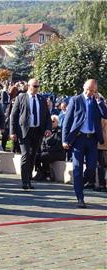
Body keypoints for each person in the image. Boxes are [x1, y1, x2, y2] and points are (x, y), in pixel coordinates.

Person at [62, 79, 107, 208]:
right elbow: (67, 121)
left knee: (92, 168)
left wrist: (99, 101)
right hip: (78, 139)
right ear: (83, 87)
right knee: (77, 169)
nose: (89, 92)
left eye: (92, 90)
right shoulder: (75, 100)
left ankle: (80, 183)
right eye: (87, 89)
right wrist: (65, 140)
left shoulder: (97, 101)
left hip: (92, 139)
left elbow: (105, 114)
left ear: (95, 90)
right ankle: (80, 198)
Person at [10, 78, 52, 190]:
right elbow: (13, 115)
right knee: (25, 155)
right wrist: (12, 132)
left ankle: (29, 179)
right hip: (24, 131)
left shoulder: (41, 99)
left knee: (33, 155)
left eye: (38, 86)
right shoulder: (21, 97)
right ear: (29, 86)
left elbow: (47, 116)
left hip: (37, 131)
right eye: (35, 86)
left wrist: (48, 129)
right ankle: (24, 181)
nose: (37, 89)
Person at [34, 115, 65, 181]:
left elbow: (58, 145)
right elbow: (43, 142)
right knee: (36, 156)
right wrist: (43, 150)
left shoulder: (60, 132)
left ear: (57, 122)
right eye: (50, 121)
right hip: (48, 152)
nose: (51, 123)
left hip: (57, 153)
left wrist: (47, 151)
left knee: (44, 156)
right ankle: (41, 172)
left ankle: (48, 174)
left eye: (53, 121)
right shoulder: (48, 131)